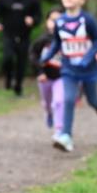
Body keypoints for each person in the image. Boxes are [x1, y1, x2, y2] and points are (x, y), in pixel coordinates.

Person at [40, 0, 97, 152]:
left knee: (93, 101)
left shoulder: (88, 20)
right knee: (68, 99)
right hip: (69, 70)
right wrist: (47, 57)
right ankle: (66, 136)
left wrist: (88, 57)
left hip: (89, 70)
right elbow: (57, 44)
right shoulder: (60, 22)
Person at [0, 0, 41, 96]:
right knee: (7, 58)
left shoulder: (32, 0)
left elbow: (38, 16)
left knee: (21, 62)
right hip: (8, 34)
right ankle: (8, 78)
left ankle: (18, 87)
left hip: (24, 35)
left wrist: (33, 20)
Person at [30, 8, 65, 136]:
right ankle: (49, 114)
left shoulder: (67, 39)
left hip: (61, 77)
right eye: (52, 20)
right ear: (47, 22)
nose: (56, 23)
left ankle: (59, 130)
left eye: (59, 20)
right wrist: (39, 72)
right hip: (45, 78)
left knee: (59, 102)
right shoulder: (42, 40)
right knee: (48, 103)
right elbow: (33, 56)